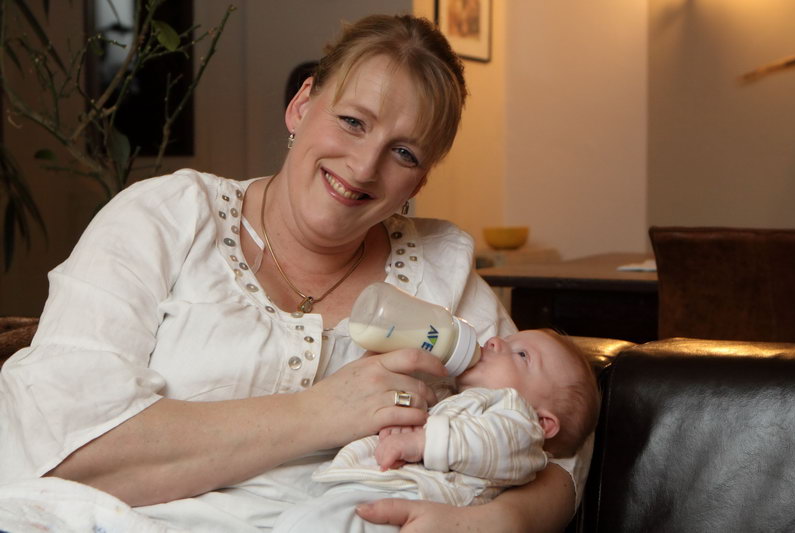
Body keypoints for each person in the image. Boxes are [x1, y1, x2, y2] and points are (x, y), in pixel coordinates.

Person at [0, 14, 591, 533]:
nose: (363, 167)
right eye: (353, 121)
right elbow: (62, 447)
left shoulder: (440, 269)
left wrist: (490, 523)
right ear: (302, 105)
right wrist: (320, 413)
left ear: (421, 179)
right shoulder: (164, 219)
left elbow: (557, 451)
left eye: (404, 153)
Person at [273, 329, 600, 532]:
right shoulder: (453, 398)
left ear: (544, 424)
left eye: (522, 355)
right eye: (508, 340)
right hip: (372, 489)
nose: (495, 340)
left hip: (422, 501)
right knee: (298, 521)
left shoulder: (518, 422)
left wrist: (422, 440)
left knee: (310, 525)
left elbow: (495, 444)